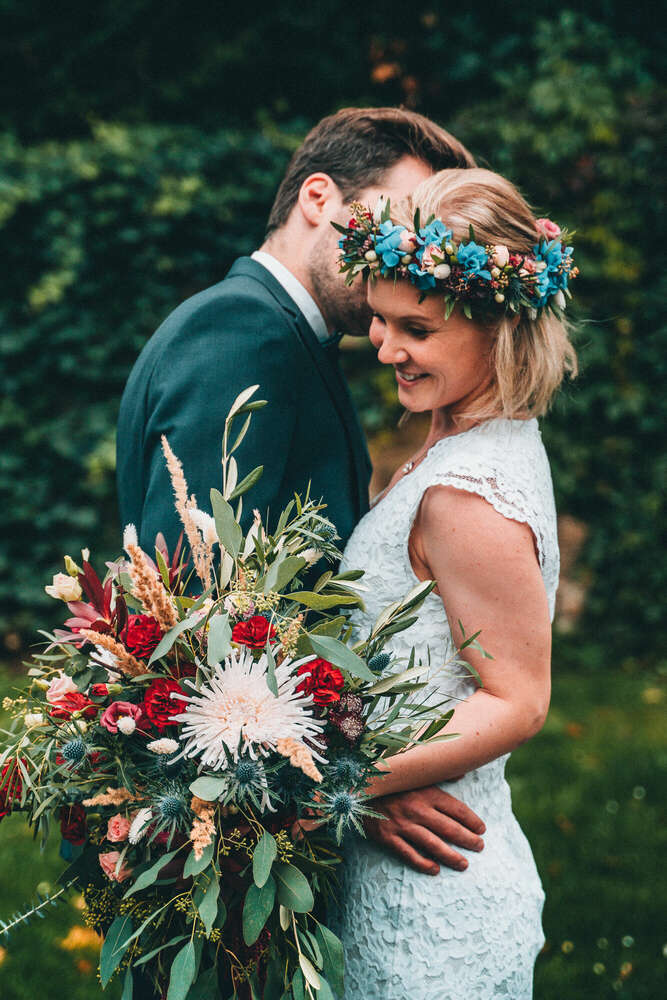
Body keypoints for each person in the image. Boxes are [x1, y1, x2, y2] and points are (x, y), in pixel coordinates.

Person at [115, 108, 486, 913]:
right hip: (217, 851)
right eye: (395, 225)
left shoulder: (292, 336)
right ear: (319, 197)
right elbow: (196, 609)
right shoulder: (241, 332)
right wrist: (345, 785)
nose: (406, 256)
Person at [332, 168, 578, 997]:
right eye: (378, 319)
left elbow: (517, 700)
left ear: (498, 327)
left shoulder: (465, 496)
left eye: (417, 328)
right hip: (414, 868)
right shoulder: (471, 438)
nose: (385, 348)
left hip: (434, 901)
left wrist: (335, 785)